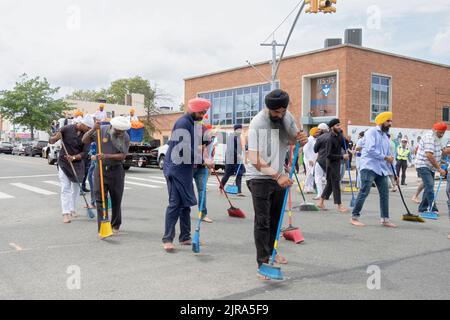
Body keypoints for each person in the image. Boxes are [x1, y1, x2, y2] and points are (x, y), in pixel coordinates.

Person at [246, 89, 308, 280]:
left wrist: (301, 140)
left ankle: (272, 252)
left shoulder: (287, 117)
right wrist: (277, 175)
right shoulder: (257, 123)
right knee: (263, 221)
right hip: (259, 176)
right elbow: (254, 159)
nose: (279, 115)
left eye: (282, 111)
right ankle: (263, 262)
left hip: (279, 174)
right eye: (276, 112)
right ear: (268, 108)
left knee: (275, 220)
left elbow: (291, 139)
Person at [160, 98, 214, 252]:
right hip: (176, 170)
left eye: (205, 112)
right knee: (175, 203)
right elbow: (182, 149)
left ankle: (185, 237)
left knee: (186, 205)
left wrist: (204, 156)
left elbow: (193, 147)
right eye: (202, 112)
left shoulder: (192, 124)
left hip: (185, 170)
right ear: (194, 109)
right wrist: (203, 160)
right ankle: (167, 239)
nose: (203, 115)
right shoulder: (183, 123)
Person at [82, 116, 131, 237]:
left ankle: (115, 225)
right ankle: (102, 227)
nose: (120, 132)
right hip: (100, 170)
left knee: (116, 199)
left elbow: (122, 155)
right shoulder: (101, 130)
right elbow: (84, 140)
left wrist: (106, 156)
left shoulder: (125, 137)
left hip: (116, 170)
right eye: (118, 130)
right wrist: (93, 129)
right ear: (113, 126)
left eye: (122, 130)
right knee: (100, 200)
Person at [350, 112, 398, 227]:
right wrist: (386, 157)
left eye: (391, 121)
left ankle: (385, 219)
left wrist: (394, 173)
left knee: (385, 193)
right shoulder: (371, 132)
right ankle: (354, 217)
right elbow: (371, 150)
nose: (390, 123)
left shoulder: (385, 136)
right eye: (388, 121)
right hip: (369, 166)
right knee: (364, 191)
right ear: (381, 121)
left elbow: (389, 155)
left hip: (381, 169)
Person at [49, 115, 94, 224]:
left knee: (76, 188)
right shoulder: (67, 128)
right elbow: (51, 141)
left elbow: (84, 153)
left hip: (77, 163)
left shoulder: (87, 136)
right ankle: (66, 213)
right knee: (65, 188)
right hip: (64, 163)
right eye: (88, 128)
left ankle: (72, 208)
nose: (89, 130)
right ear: (83, 124)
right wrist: (56, 137)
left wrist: (74, 157)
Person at [415, 122, 450, 214]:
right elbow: (429, 155)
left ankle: (422, 208)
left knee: (428, 186)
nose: (441, 134)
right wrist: (439, 169)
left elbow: (443, 151)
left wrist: (445, 156)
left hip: (430, 166)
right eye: (440, 132)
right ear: (434, 130)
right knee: (430, 185)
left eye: (443, 132)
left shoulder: (437, 138)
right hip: (423, 164)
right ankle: (432, 208)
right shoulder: (430, 137)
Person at [316, 118, 349, 213]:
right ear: (332, 127)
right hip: (331, 164)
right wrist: (342, 156)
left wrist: (345, 139)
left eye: (339, 125)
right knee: (335, 184)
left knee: (330, 184)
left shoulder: (339, 136)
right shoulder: (329, 139)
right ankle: (339, 205)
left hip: (337, 163)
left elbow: (344, 145)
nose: (339, 127)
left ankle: (321, 202)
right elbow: (328, 155)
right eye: (337, 125)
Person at [193, 123, 215, 223]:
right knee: (185, 190)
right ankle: (181, 211)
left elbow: (209, 153)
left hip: (201, 168)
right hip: (190, 166)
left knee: (202, 190)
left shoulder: (208, 139)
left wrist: (210, 160)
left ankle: (203, 214)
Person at [220, 124, 246, 197]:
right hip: (230, 159)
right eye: (239, 129)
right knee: (227, 174)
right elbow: (231, 148)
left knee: (239, 174)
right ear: (235, 130)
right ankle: (221, 187)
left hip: (237, 160)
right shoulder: (231, 137)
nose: (240, 131)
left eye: (241, 129)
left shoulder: (239, 137)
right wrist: (238, 154)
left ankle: (239, 191)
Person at [312, 123, 329, 200]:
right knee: (327, 178)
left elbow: (315, 150)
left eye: (319, 129)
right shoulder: (332, 136)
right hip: (330, 160)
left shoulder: (320, 138)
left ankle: (320, 194)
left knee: (318, 177)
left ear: (322, 130)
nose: (318, 131)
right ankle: (326, 194)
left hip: (321, 159)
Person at [303, 127, 320, 194]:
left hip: (314, 159)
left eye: (318, 132)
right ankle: (306, 187)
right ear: (312, 132)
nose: (317, 133)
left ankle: (310, 188)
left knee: (312, 173)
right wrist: (309, 159)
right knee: (309, 173)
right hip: (308, 159)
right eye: (316, 132)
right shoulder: (309, 139)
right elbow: (305, 150)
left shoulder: (316, 139)